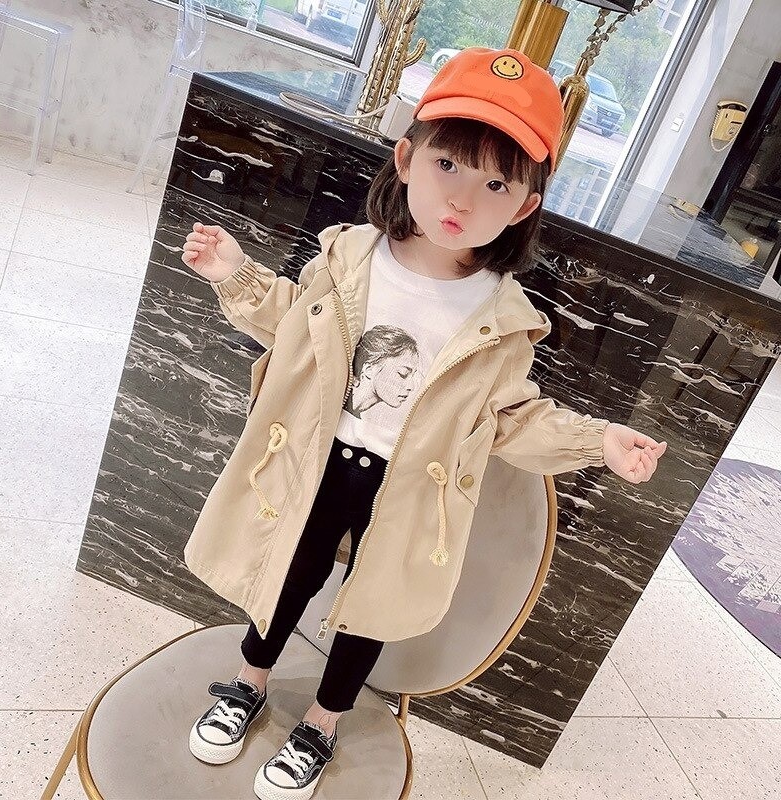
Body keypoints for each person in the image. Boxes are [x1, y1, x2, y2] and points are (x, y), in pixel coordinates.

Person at [181, 47, 668, 800]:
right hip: (319, 458)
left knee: (371, 607)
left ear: (524, 206)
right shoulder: (349, 258)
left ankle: (323, 723)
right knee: (289, 571)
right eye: (447, 164)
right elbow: (294, 327)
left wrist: (594, 441)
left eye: (496, 183)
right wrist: (235, 276)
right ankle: (248, 681)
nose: (463, 199)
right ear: (407, 159)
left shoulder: (502, 318)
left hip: (412, 488)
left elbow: (511, 418)